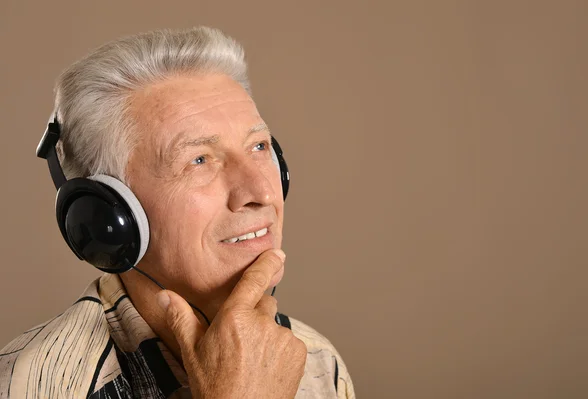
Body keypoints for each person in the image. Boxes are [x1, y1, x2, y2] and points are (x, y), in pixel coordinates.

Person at [0, 26, 355, 398]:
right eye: (199, 160)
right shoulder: (31, 386)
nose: (262, 192)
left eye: (259, 146)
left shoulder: (318, 362)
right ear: (110, 217)